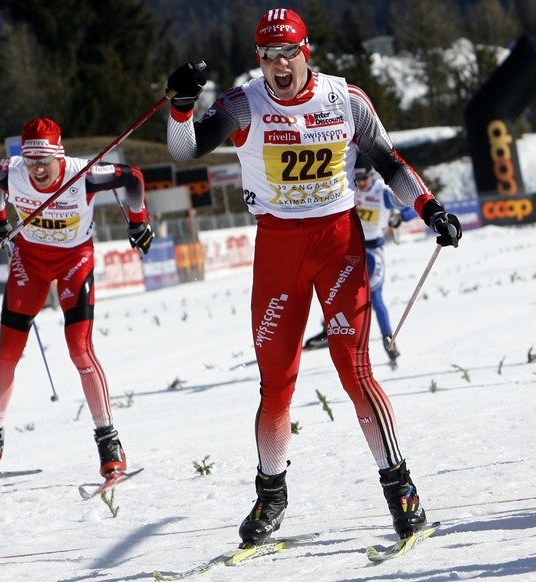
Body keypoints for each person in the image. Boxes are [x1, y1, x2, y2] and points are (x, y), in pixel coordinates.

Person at [164, 8, 461, 546]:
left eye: (288, 54)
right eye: (268, 56)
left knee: (356, 372)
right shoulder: (242, 103)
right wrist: (181, 106)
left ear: (307, 52)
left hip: (338, 247)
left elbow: (391, 163)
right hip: (278, 252)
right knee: (275, 384)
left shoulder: (346, 100)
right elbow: (184, 150)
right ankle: (271, 495)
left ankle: (401, 489)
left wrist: (430, 207)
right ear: (259, 60)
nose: (279, 65)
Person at [0, 118, 152, 480]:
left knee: (79, 347)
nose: (36, 168)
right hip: (29, 261)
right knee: (7, 350)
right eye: (29, 159)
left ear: (58, 155)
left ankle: (109, 441)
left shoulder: (84, 174)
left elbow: (134, 177)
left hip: (73, 260)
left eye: (44, 159)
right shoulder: (10, 170)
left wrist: (138, 222)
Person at [302, 154, 418, 367]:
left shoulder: (381, 193)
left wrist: (399, 218)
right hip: (350, 248)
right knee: (333, 288)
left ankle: (387, 338)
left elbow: (413, 209)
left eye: (364, 179)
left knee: (374, 295)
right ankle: (327, 329)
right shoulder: (350, 189)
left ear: (371, 176)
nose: (361, 184)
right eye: (358, 179)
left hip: (374, 250)